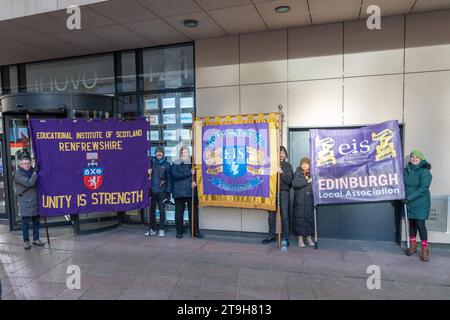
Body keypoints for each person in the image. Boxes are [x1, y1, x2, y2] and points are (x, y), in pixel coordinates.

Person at [404, 150, 432, 262]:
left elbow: (423, 188)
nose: (414, 159)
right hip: (409, 202)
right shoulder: (406, 170)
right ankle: (413, 245)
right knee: (412, 224)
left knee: (420, 224)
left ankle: (425, 248)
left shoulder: (425, 172)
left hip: (421, 203)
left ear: (421, 159)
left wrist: (408, 198)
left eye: (417, 157)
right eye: (412, 157)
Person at [262, 146, 293, 245]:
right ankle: (271, 235)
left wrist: (281, 172)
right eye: (279, 152)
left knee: (284, 215)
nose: (281, 154)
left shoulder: (288, 166)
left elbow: (289, 181)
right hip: (272, 193)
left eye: (283, 153)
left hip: (283, 192)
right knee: (271, 215)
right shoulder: (271, 165)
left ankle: (285, 238)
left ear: (285, 155)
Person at [170, 147, 203, 239]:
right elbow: (175, 175)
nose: (183, 154)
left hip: (191, 191)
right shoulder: (176, 163)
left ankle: (195, 231)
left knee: (193, 214)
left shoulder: (194, 163)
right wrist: (189, 173)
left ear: (189, 153)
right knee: (179, 214)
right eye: (182, 152)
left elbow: (199, 175)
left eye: (185, 152)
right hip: (178, 192)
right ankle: (179, 232)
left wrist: (195, 182)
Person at [14, 157, 44, 250]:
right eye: (24, 163)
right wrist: (35, 172)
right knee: (25, 223)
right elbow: (29, 183)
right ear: (20, 165)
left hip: (35, 200)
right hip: (25, 202)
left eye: (28, 163)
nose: (27, 165)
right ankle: (26, 241)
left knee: (36, 222)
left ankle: (36, 239)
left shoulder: (32, 171)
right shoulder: (18, 174)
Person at [145, 146, 171, 237]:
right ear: (155, 153)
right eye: (157, 152)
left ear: (163, 153)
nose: (159, 153)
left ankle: (161, 229)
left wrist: (168, 193)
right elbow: (146, 178)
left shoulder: (167, 164)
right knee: (151, 211)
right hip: (152, 191)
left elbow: (169, 180)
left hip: (162, 192)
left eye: (160, 152)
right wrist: (147, 173)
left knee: (161, 211)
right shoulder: (151, 163)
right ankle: (152, 229)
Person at [292, 157, 315, 247]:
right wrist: (306, 181)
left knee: (309, 218)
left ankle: (309, 237)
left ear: (309, 164)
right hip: (300, 201)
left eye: (306, 163)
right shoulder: (298, 172)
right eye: (302, 164)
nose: (304, 165)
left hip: (309, 201)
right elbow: (294, 184)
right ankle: (300, 238)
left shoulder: (312, 173)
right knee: (299, 219)